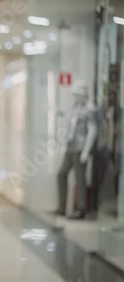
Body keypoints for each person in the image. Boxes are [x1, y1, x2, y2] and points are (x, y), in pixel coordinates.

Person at [56, 81, 97, 219]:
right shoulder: (74, 108)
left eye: (76, 94)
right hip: (70, 147)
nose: (74, 97)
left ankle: (81, 208)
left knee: (80, 179)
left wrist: (86, 151)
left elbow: (92, 131)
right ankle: (62, 207)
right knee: (61, 174)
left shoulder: (89, 109)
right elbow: (70, 127)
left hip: (80, 148)